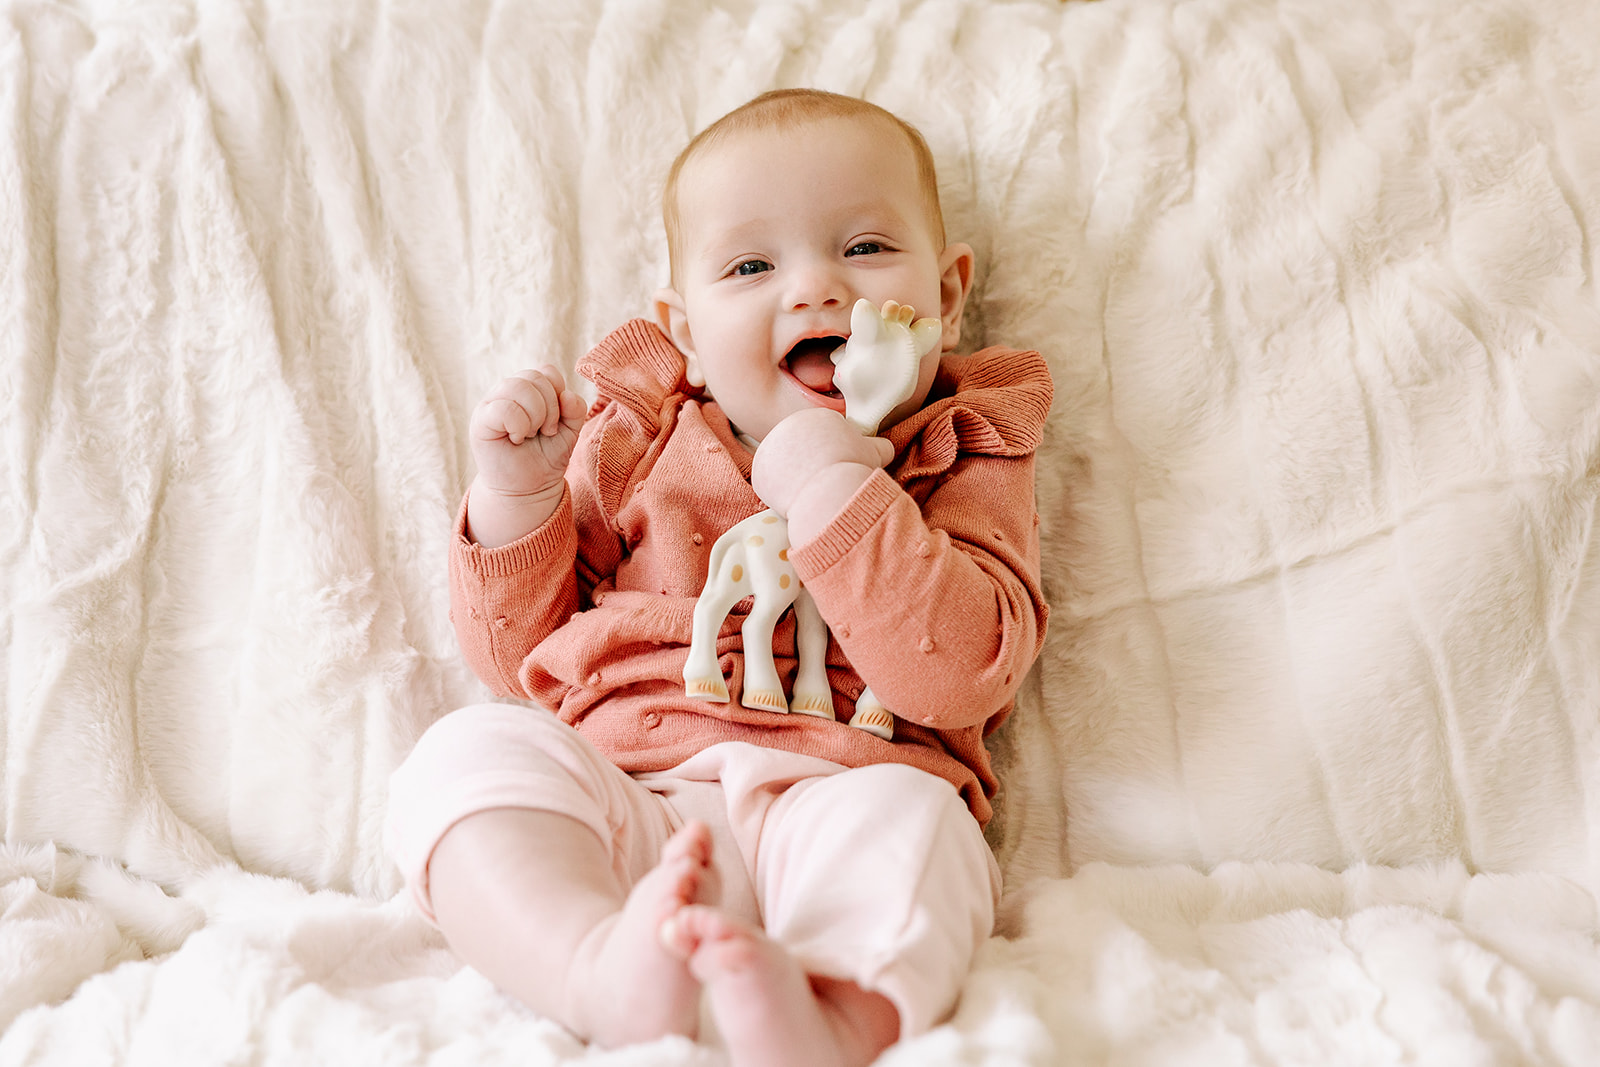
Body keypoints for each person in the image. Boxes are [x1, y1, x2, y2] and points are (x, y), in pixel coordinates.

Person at [384, 88, 1052, 1067]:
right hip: (630, 796)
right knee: (464, 756)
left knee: (922, 836)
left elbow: (960, 673)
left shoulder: (957, 451)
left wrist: (832, 485)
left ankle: (828, 1009)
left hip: (848, 788)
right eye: (751, 265)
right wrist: (518, 501)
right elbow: (514, 656)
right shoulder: (641, 438)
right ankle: (590, 962)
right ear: (684, 327)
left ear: (947, 296)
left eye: (865, 248)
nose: (817, 288)